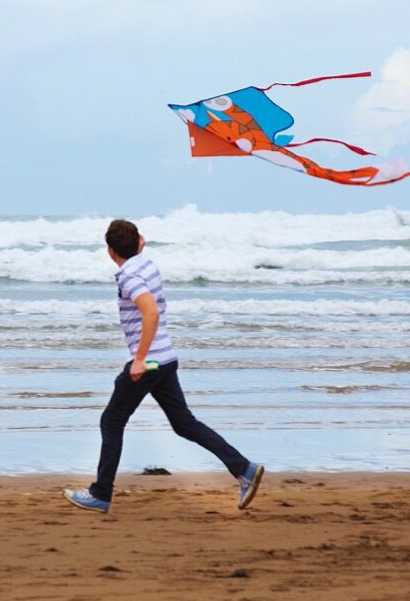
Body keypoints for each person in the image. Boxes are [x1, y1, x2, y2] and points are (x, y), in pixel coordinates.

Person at [64, 219, 263, 513]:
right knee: (184, 424)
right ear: (139, 243)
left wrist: (140, 359)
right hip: (166, 359)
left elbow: (150, 312)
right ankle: (244, 469)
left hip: (151, 363)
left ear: (110, 251)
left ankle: (101, 493)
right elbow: (138, 248)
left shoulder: (128, 277)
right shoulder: (146, 265)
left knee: (112, 421)